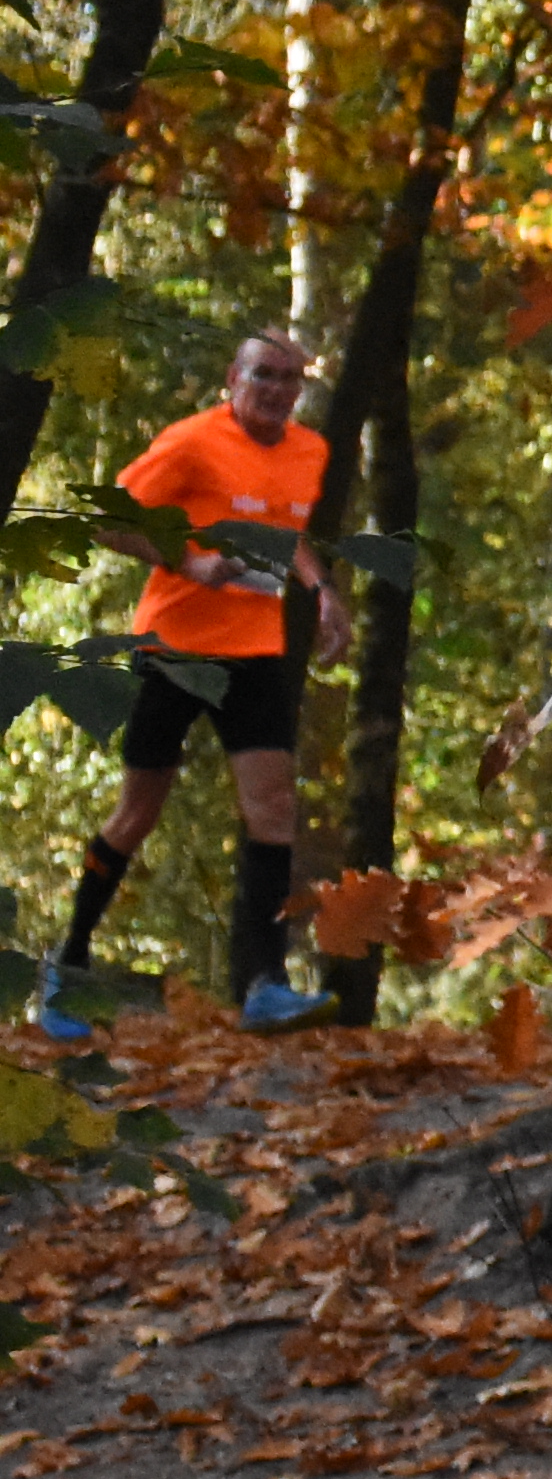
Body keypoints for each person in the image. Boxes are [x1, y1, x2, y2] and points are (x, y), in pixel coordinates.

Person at [32, 330, 346, 1043]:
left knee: (272, 811)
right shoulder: (190, 442)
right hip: (173, 649)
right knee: (137, 814)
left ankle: (264, 987)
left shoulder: (310, 451)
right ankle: (68, 966)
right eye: (264, 375)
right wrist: (186, 564)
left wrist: (321, 588)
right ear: (233, 377)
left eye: (290, 379)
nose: (276, 389)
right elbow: (110, 519)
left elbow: (285, 532)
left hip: (257, 653)